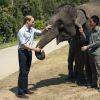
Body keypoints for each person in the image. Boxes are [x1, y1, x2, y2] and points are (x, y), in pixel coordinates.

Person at [17, 15, 51, 98]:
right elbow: (24, 45)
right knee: (22, 71)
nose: (33, 23)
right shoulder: (21, 31)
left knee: (27, 71)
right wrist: (35, 49)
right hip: (22, 52)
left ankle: (25, 89)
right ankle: (20, 92)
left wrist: (46, 29)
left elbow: (41, 32)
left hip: (29, 52)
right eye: (32, 21)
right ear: (27, 21)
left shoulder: (31, 29)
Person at [79, 15, 100, 91]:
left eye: (91, 22)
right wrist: (82, 32)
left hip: (97, 54)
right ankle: (94, 83)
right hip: (90, 54)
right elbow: (86, 39)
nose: (89, 23)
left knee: (98, 70)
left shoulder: (99, 31)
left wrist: (87, 47)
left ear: (95, 22)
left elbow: (97, 42)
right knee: (93, 69)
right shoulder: (91, 31)